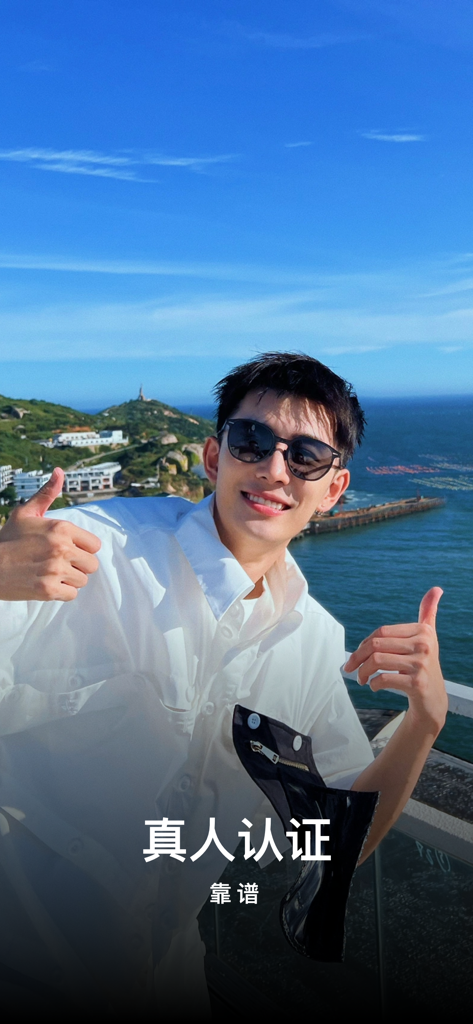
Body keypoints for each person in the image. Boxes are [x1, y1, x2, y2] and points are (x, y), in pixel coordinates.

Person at [0, 352, 446, 1018]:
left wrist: (422, 723)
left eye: (306, 456)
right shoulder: (88, 551)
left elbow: (330, 840)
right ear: (213, 457)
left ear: (333, 490)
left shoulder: (314, 643)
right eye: (252, 441)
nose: (272, 468)